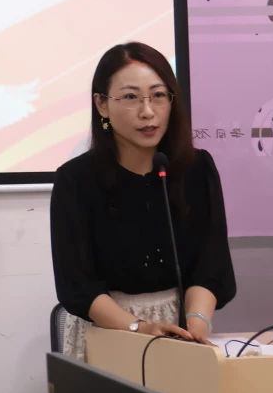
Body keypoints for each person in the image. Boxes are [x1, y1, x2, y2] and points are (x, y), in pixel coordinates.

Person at [50, 42, 235, 360]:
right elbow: (77, 285)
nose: (147, 111)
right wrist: (139, 328)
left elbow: (211, 264)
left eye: (158, 95)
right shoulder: (76, 180)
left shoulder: (197, 169)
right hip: (111, 332)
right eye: (131, 97)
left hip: (181, 329)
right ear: (102, 104)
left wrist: (196, 324)